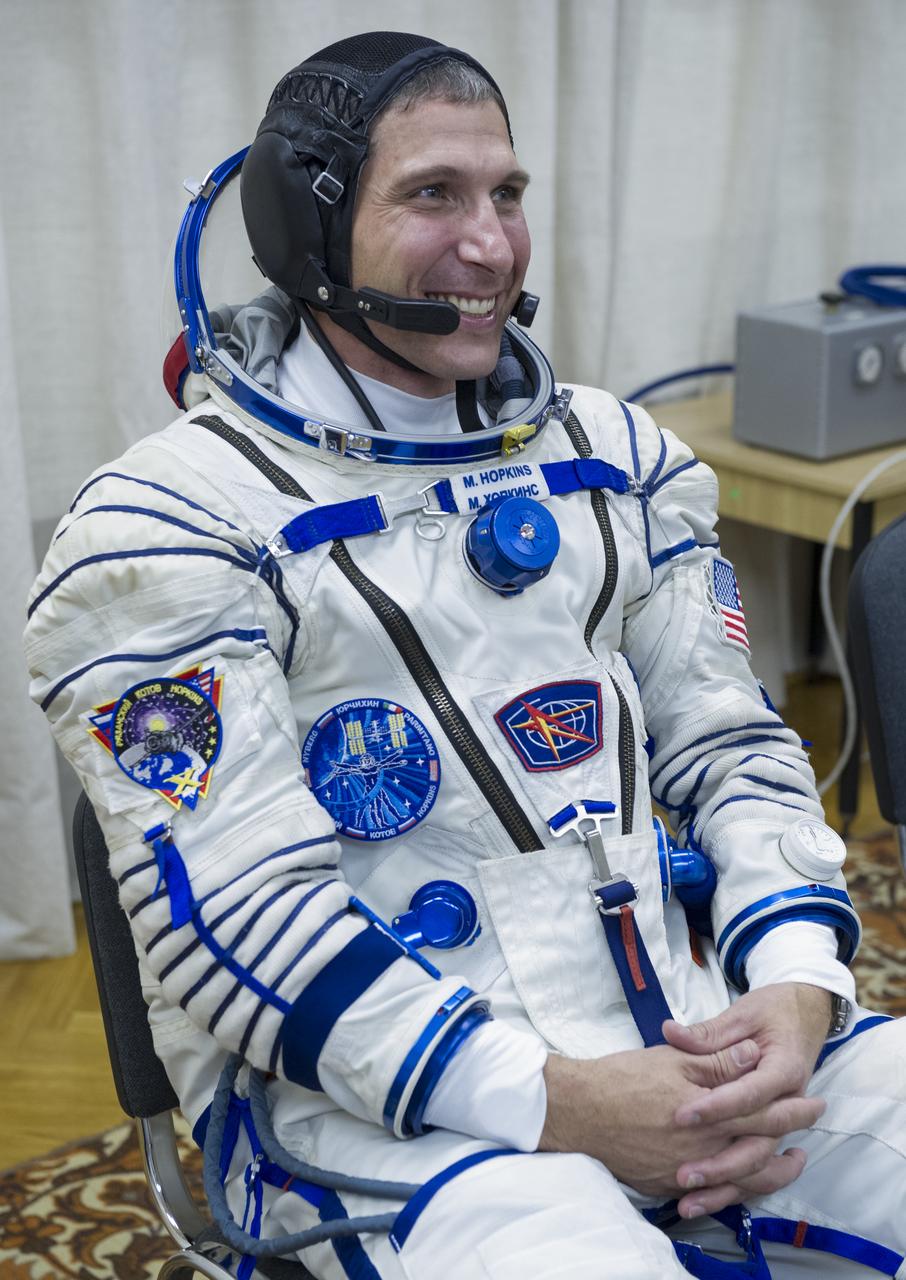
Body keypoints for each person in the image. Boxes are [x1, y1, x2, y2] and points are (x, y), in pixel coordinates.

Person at [25, 31, 905, 1280]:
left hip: (688, 1020)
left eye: (507, 194)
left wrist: (796, 985)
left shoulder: (618, 460)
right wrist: (563, 1105)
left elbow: (734, 745)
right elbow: (240, 924)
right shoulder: (164, 531)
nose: (491, 244)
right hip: (377, 1108)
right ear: (311, 231)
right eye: (433, 195)